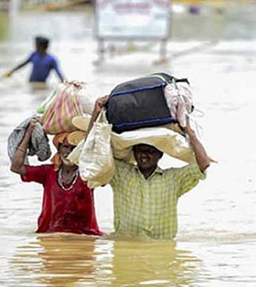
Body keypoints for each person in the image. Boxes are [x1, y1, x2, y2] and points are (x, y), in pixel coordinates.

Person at [87, 96, 211, 239]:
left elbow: (203, 164)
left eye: (150, 151)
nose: (144, 155)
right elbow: (93, 153)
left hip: (162, 250)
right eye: (140, 150)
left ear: (160, 155)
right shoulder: (121, 173)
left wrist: (189, 132)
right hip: (127, 248)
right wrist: (96, 114)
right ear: (133, 152)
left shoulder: (173, 179)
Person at [10, 123, 103, 235]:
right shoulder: (48, 172)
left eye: (74, 148)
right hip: (50, 234)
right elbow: (16, 167)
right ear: (59, 149)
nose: (69, 152)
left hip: (84, 236)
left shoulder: (88, 173)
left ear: (80, 151)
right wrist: (28, 133)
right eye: (65, 147)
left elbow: (103, 162)